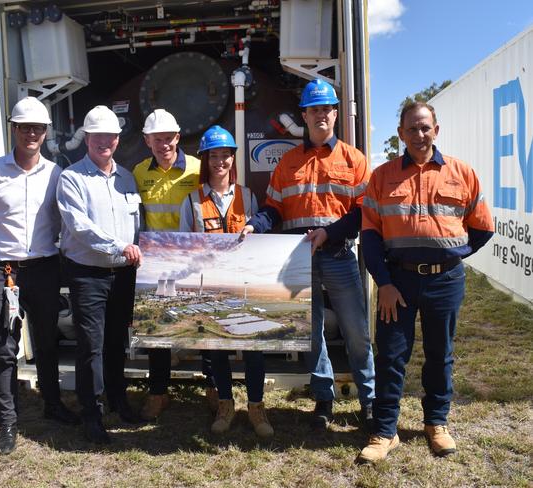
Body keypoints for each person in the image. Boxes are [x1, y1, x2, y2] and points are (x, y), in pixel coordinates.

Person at [356, 102, 494, 464]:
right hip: (397, 282)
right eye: (412, 129)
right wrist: (383, 282)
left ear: (437, 130)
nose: (419, 135)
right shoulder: (382, 176)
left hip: (445, 281)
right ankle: (385, 431)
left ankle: (436, 423)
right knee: (391, 355)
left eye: (425, 128)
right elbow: (370, 235)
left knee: (440, 354)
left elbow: (482, 228)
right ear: (400, 134)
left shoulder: (462, 173)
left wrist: (450, 257)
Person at [241, 78, 375, 430]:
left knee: (356, 331)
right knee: (311, 334)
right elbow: (274, 209)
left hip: (338, 254)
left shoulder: (354, 159)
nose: (320, 115)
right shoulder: (288, 162)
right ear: (304, 115)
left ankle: (371, 401)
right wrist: (255, 224)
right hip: (298, 260)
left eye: (326, 109)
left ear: (334, 114)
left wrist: (330, 233)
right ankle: (324, 400)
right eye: (313, 110)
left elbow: (364, 212)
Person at [0, 96, 79, 455]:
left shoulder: (56, 174)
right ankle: (7, 422)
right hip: (6, 272)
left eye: (37, 128)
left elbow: (62, 222)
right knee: (4, 350)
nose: (31, 133)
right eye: (24, 127)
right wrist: (5, 255)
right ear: (14, 129)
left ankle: (52, 405)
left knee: (48, 343)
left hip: (46, 269)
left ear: (46, 132)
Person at [179, 125, 273, 437]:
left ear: (233, 159)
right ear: (204, 160)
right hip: (210, 287)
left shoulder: (248, 196)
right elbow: (183, 246)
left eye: (225, 155)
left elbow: (259, 244)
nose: (220, 161)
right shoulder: (191, 201)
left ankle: (257, 408)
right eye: (214, 156)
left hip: (244, 284)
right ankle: (225, 404)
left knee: (253, 348)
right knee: (216, 347)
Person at [57, 105, 143, 444]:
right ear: (87, 139)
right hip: (88, 275)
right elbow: (79, 227)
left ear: (118, 140)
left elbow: (137, 223)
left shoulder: (127, 177)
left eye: (109, 136)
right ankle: (91, 414)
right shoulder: (72, 178)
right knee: (90, 347)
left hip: (122, 275)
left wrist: (137, 248)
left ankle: (118, 400)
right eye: (97, 136)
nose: (103, 141)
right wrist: (120, 246)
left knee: (115, 343)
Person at [132, 109, 217, 420]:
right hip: (155, 262)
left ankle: (214, 389)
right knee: (157, 331)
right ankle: (158, 394)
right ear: (147, 141)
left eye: (168, 138)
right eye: (157, 139)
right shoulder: (139, 173)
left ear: (178, 138)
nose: (163, 144)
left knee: (203, 324)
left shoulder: (197, 168)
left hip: (194, 259)